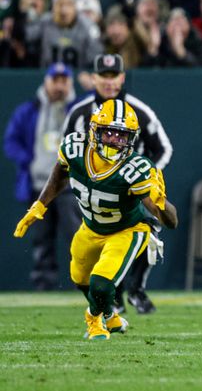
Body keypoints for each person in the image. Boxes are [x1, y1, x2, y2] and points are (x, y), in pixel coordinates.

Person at [13, 98, 178, 340]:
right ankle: (110, 315)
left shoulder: (136, 168)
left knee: (101, 283)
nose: (115, 140)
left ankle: (94, 320)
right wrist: (40, 204)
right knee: (80, 278)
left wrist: (163, 204)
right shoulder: (74, 148)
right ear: (94, 130)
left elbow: (171, 222)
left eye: (122, 135)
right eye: (109, 133)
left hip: (127, 230)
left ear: (131, 138)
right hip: (90, 228)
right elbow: (60, 174)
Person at [64, 53, 173, 314]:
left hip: (131, 190)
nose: (109, 81)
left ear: (122, 78)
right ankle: (114, 296)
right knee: (102, 243)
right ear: (93, 78)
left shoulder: (141, 112)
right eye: (104, 75)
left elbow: (164, 148)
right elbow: (67, 152)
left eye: (114, 76)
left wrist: (146, 177)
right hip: (97, 190)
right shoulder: (79, 113)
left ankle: (136, 289)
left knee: (147, 232)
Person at [4, 63, 80, 290]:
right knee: (41, 239)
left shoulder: (78, 110)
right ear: (45, 82)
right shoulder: (29, 111)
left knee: (77, 237)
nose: (59, 86)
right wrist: (28, 158)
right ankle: (43, 284)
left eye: (63, 81)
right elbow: (11, 141)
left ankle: (84, 282)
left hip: (70, 186)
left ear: (70, 83)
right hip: (39, 185)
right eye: (54, 80)